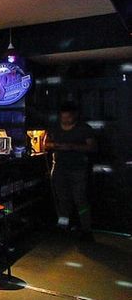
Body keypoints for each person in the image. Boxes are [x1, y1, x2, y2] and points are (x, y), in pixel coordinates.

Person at [45, 101, 97, 241]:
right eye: (63, 117)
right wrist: (55, 145)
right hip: (59, 168)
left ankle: (86, 229)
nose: (65, 120)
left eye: (68, 117)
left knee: (80, 199)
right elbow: (46, 143)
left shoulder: (84, 129)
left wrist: (72, 147)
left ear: (75, 115)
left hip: (78, 169)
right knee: (62, 199)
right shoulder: (55, 127)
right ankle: (63, 225)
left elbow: (92, 147)